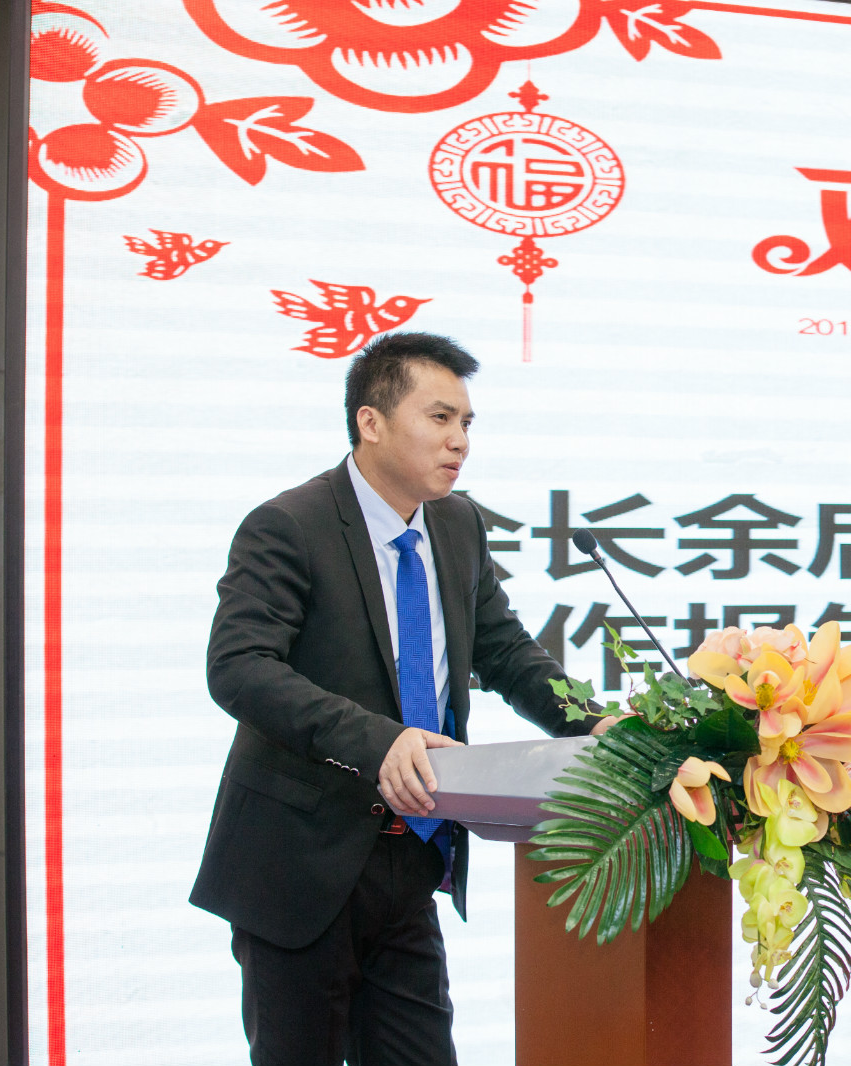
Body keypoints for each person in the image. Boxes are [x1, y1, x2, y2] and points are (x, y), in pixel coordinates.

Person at [190, 331, 609, 1065]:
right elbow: (239, 667)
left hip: (411, 857)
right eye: (440, 418)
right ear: (371, 422)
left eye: (467, 422)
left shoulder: (458, 524)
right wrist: (378, 740)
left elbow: (505, 651)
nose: (460, 441)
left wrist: (597, 723)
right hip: (301, 865)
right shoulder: (290, 525)